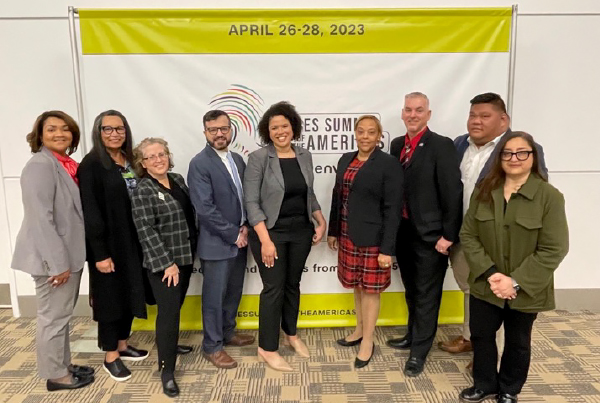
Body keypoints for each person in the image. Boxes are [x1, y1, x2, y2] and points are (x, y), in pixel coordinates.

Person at [458, 131, 568, 403]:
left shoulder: (549, 196)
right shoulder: (485, 191)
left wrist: (514, 281)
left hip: (527, 287)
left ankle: (509, 389)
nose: (514, 158)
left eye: (522, 153)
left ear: (534, 157)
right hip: (486, 282)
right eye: (507, 153)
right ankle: (485, 384)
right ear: (499, 157)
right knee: (481, 336)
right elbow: (468, 235)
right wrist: (492, 274)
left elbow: (554, 248)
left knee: (518, 342)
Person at [441, 93, 548, 369]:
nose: (476, 121)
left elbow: (535, 193)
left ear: (503, 120)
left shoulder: (521, 148)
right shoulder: (458, 144)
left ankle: (489, 356)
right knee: (471, 291)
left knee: (498, 295)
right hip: (466, 236)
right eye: (473, 115)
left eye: (484, 116)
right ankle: (470, 338)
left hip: (502, 240)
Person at [11, 111, 95, 391]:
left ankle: (63, 365)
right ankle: (55, 376)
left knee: (61, 317)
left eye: (65, 129)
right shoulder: (40, 165)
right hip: (54, 261)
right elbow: (40, 218)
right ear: (40, 134)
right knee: (53, 318)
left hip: (68, 256)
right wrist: (57, 264)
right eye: (52, 129)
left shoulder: (65, 164)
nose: (60, 134)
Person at [244, 101, 327, 372]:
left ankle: (291, 334)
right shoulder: (259, 158)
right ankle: (267, 348)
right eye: (274, 127)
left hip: (300, 230)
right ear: (267, 132)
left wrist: (319, 217)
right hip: (270, 233)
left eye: (285, 126)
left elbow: (308, 192)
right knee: (274, 289)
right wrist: (265, 240)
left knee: (293, 285)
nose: (280, 131)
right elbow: (251, 202)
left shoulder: (304, 155)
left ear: (293, 127)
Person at [386, 92, 463, 377]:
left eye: (419, 110)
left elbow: (453, 193)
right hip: (403, 233)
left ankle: (419, 352)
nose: (413, 115)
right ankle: (411, 335)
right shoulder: (396, 145)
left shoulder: (441, 146)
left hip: (432, 237)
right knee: (411, 290)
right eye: (408, 110)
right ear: (402, 113)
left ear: (428, 114)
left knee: (427, 295)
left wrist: (448, 235)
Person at [78, 110, 149, 382]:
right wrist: (100, 253)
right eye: (108, 129)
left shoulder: (129, 160)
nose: (114, 134)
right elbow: (90, 212)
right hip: (108, 244)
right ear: (98, 132)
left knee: (131, 292)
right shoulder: (92, 164)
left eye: (119, 129)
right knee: (110, 300)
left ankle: (122, 344)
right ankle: (110, 355)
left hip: (133, 241)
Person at [327, 115, 402, 368]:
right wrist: (334, 230)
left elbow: (393, 209)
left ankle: (368, 341)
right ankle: (359, 330)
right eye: (361, 131)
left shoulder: (388, 164)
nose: (365, 136)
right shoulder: (345, 159)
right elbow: (338, 195)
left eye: (371, 132)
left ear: (379, 136)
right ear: (355, 133)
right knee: (357, 286)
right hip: (348, 233)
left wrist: (387, 249)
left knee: (370, 290)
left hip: (374, 239)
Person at [187, 110, 255, 370]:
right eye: (213, 129)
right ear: (205, 132)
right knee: (214, 298)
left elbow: (246, 197)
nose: (219, 133)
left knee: (233, 292)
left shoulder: (237, 159)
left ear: (231, 130)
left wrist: (246, 226)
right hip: (218, 242)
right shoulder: (200, 163)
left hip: (241, 238)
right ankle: (212, 346)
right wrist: (233, 233)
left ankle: (227, 332)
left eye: (224, 128)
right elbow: (204, 209)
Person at [131, 138, 196, 397]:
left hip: (186, 257)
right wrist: (167, 263)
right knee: (169, 315)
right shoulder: (143, 190)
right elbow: (145, 230)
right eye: (151, 157)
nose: (158, 160)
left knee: (174, 308)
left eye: (162, 154)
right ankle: (166, 370)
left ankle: (167, 345)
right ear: (142, 163)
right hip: (165, 265)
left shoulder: (178, 179)